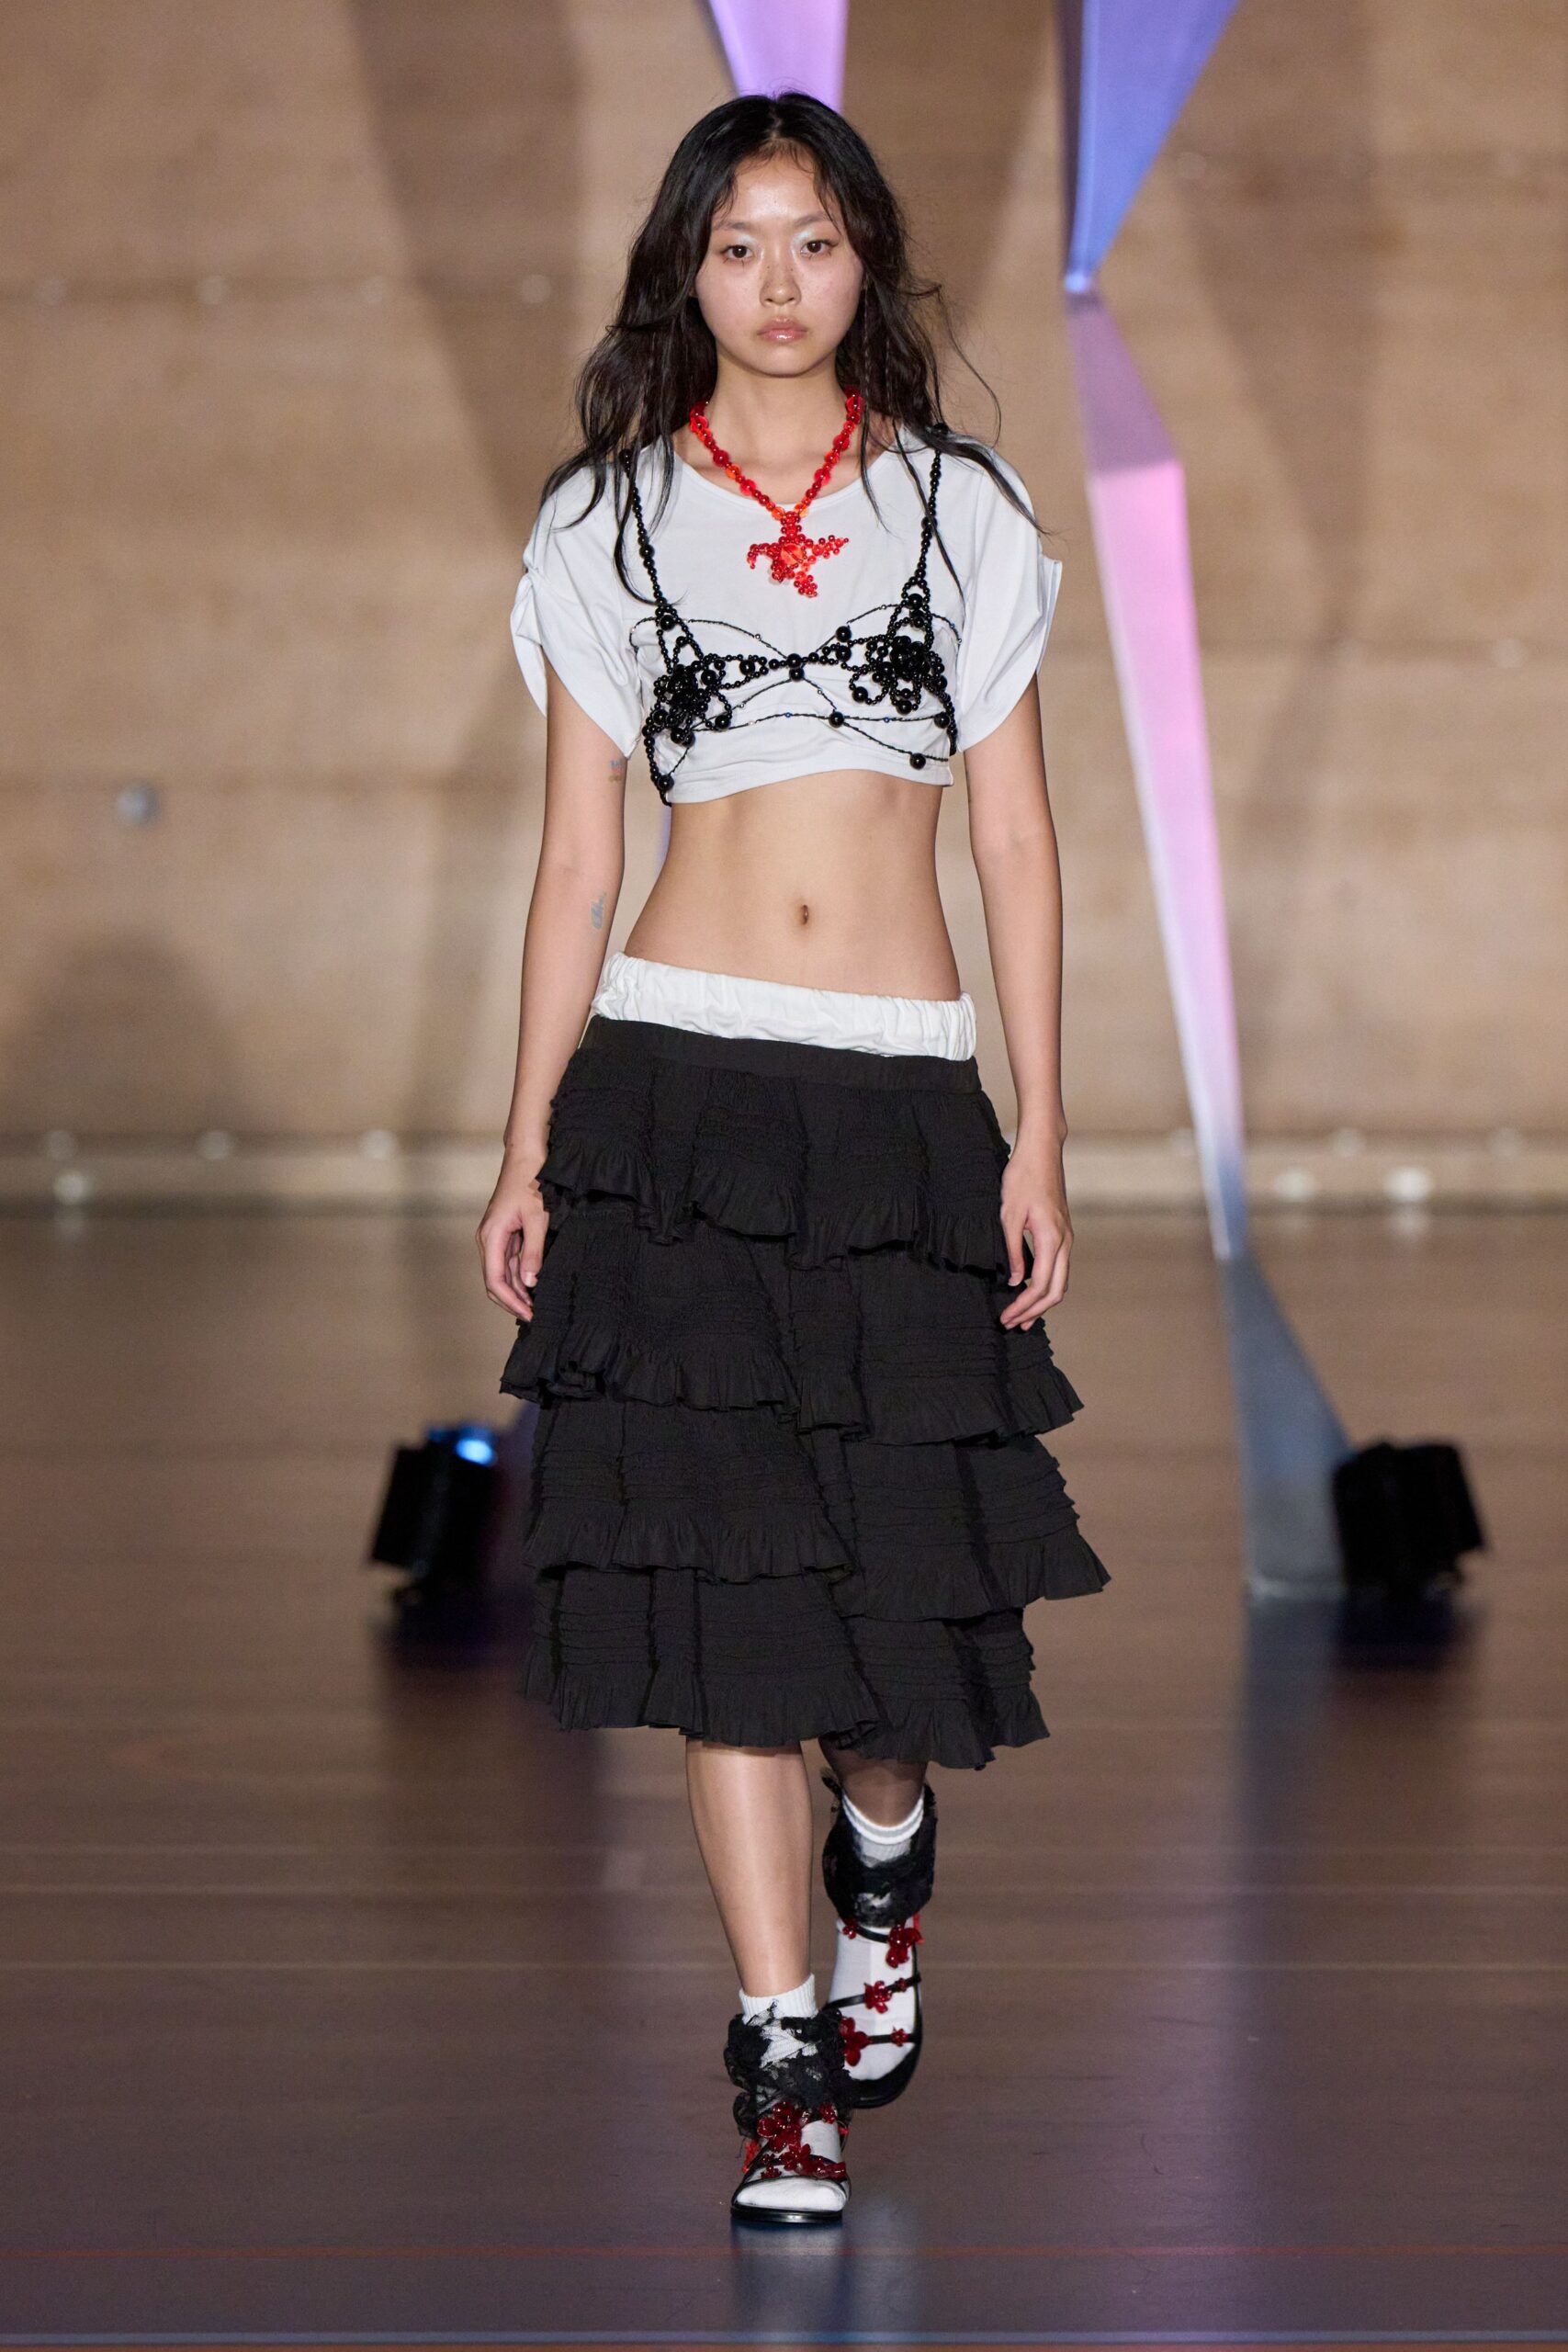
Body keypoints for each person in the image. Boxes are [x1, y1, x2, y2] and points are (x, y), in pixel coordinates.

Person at [477, 90, 1110, 2227]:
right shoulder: (604, 521)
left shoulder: (959, 510)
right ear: (686, 264)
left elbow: (1013, 837)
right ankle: (780, 2058)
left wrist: (1040, 1124)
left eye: (813, 240)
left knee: (889, 1603)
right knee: (720, 1595)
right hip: (673, 1091)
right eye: (738, 241)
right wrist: (526, 1139)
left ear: (865, 266)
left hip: (898, 1100)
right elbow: (577, 863)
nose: (774, 280)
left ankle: (885, 1858)